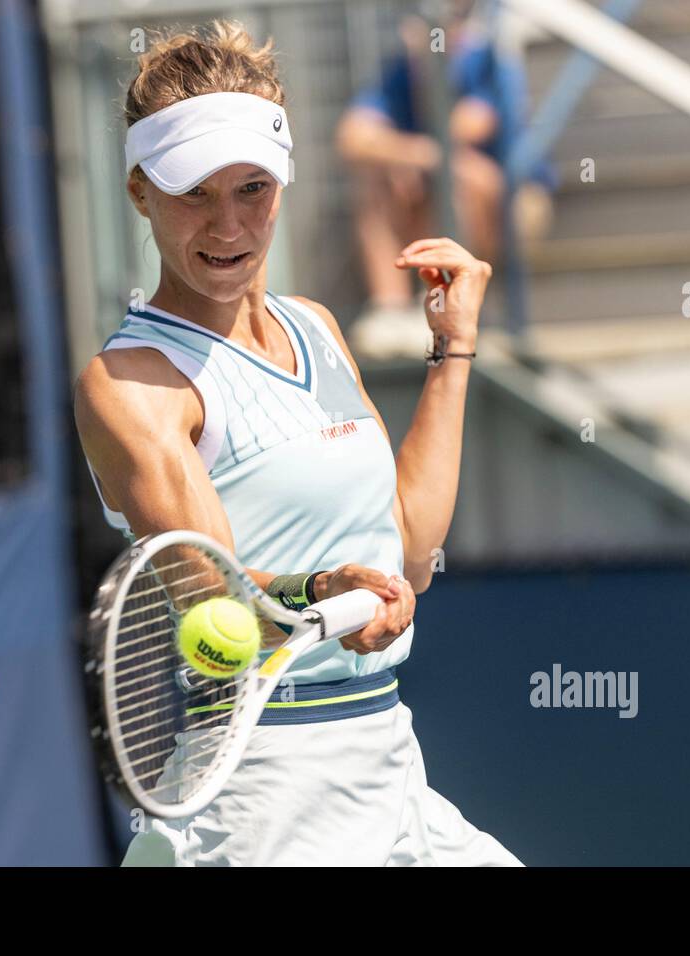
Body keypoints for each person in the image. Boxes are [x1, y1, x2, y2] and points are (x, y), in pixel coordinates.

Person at [74, 18, 523, 866]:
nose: (228, 224)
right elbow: (218, 602)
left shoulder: (314, 326)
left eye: (251, 188)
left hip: (389, 761)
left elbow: (412, 551)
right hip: (262, 795)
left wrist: (453, 350)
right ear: (139, 191)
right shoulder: (132, 382)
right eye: (192, 192)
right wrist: (325, 586)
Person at [336, 0, 554, 358]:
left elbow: (468, 128)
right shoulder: (403, 70)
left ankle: (444, 303)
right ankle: (390, 310)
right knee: (380, 177)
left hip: (515, 203)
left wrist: (412, 154)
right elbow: (351, 137)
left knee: (460, 173)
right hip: (434, 190)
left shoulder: (488, 62)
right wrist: (410, 157)